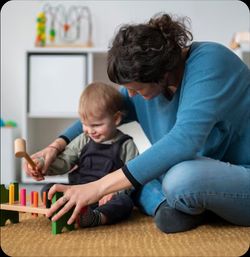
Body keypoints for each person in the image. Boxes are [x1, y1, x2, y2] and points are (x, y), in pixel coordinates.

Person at [24, 13, 250, 233]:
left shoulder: (211, 61)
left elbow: (184, 141)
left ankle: (183, 204)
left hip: (240, 175)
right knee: (135, 176)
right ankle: (172, 207)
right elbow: (103, 112)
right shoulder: (150, 86)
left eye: (135, 88)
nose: (129, 95)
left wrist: (97, 187)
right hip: (196, 177)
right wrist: (56, 146)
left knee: (180, 178)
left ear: (160, 73)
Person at [26, 82, 139, 228]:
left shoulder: (126, 144)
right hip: (77, 190)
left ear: (116, 119)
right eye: (85, 124)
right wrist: (44, 166)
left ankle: (96, 217)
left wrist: (116, 192)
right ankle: (70, 212)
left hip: (105, 196)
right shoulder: (83, 139)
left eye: (96, 125)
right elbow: (65, 161)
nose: (90, 130)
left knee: (125, 202)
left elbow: (132, 175)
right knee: (50, 189)